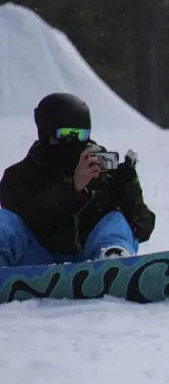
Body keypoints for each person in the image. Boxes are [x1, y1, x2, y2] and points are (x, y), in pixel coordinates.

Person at [0, 92, 155, 267]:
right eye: (67, 134)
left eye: (80, 134)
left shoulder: (102, 172)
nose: (74, 141)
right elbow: (33, 215)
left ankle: (113, 263)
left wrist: (130, 190)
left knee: (116, 219)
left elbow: (143, 228)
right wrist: (72, 189)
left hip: (90, 262)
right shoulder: (20, 176)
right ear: (46, 133)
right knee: (3, 221)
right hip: (37, 261)